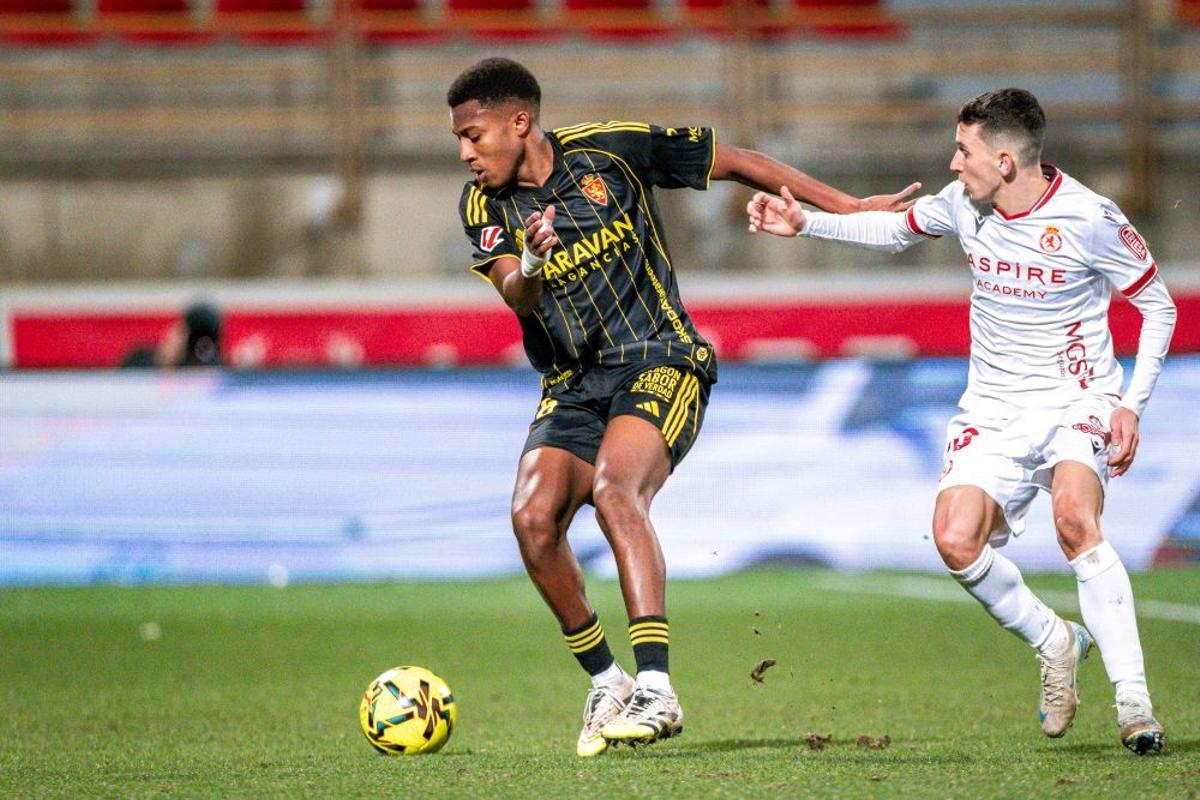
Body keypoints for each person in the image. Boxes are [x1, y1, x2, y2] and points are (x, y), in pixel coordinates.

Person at [448, 56, 919, 757]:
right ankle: (607, 680)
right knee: (532, 520)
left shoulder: (612, 150)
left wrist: (847, 208)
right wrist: (535, 264)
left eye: (474, 135)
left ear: (520, 122)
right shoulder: (481, 206)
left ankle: (657, 688)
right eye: (460, 140)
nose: (465, 152)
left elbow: (737, 161)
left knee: (615, 491)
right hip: (572, 383)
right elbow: (517, 292)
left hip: (659, 359)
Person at [747, 88, 1176, 755]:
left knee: (1074, 519)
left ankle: (1134, 703)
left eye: (963, 150)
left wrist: (1131, 404)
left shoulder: (1090, 217)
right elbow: (894, 229)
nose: (953, 163)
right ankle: (1054, 640)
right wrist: (806, 224)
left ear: (1004, 160)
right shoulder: (963, 204)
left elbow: (1158, 306)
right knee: (954, 538)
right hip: (993, 410)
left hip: (1077, 400)